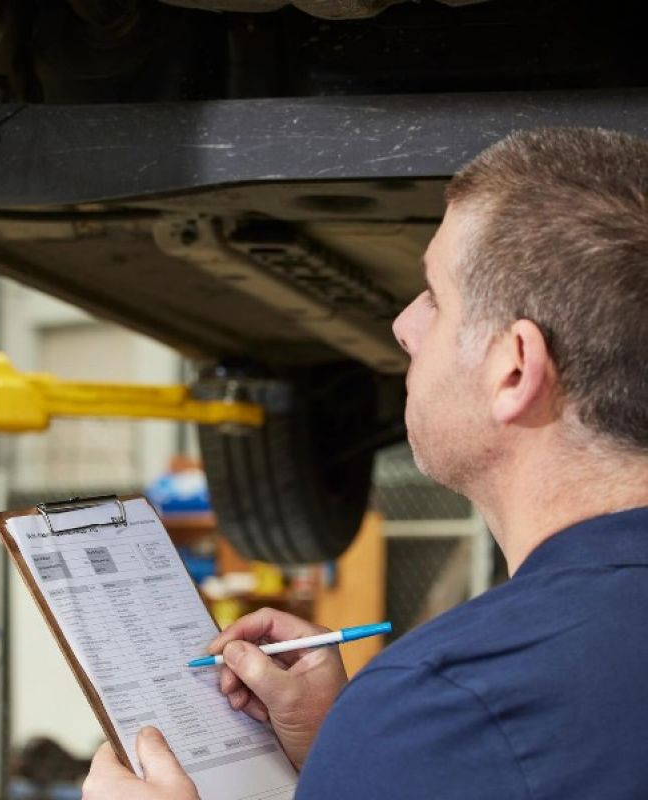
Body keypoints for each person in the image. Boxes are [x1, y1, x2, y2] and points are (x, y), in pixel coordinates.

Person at [81, 127, 648, 799]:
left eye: (435, 296)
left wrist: (384, 743)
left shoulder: (446, 706)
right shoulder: (445, 723)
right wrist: (345, 754)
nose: (404, 325)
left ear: (514, 369)